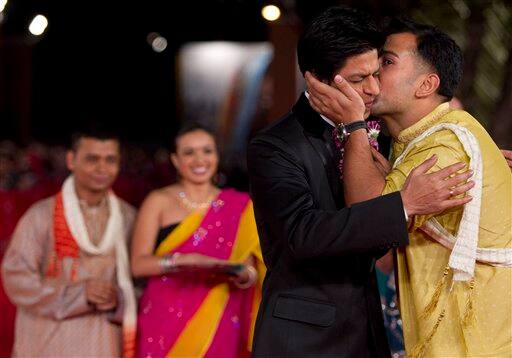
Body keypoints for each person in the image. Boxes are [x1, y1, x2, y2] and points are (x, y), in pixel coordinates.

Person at [247, 7, 475, 358]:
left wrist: (475, 157)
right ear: (317, 80)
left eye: (375, 73)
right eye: (357, 80)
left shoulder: (378, 133)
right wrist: (404, 204)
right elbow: (301, 236)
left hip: (369, 327)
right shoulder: (275, 146)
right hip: (303, 337)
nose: (372, 89)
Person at [306, 18, 511, 357]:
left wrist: (354, 125)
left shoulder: (446, 146)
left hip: (474, 343)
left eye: (386, 62)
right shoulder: (422, 139)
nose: (372, 72)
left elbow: (368, 215)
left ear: (426, 85)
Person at [131, 122, 264, 358]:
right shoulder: (158, 201)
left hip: (220, 312)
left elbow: (254, 270)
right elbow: (138, 265)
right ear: (175, 160)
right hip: (164, 315)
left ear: (216, 155)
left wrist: (242, 274)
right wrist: (183, 260)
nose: (199, 159)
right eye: (189, 152)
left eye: (207, 151)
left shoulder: (241, 206)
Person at [1, 128, 137, 357]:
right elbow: (16, 277)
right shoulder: (41, 215)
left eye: (110, 160)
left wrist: (120, 299)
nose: (102, 168)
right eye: (92, 159)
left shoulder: (129, 218)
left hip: (104, 342)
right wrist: (79, 295)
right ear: (71, 160)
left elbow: (144, 283)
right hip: (49, 342)